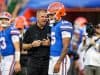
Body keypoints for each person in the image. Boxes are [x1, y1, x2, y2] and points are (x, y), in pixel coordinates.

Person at [47, 2, 73, 75]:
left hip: (60, 59)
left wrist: (58, 62)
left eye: (52, 14)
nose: (50, 17)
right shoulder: (52, 26)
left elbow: (66, 46)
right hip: (51, 58)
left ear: (59, 13)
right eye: (49, 15)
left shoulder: (65, 25)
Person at [23, 9, 51, 75]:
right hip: (33, 62)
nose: (44, 19)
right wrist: (32, 45)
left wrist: (50, 44)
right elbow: (23, 46)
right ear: (37, 18)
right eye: (42, 17)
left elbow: (56, 44)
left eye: (46, 17)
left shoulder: (50, 29)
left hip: (46, 62)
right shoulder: (30, 30)